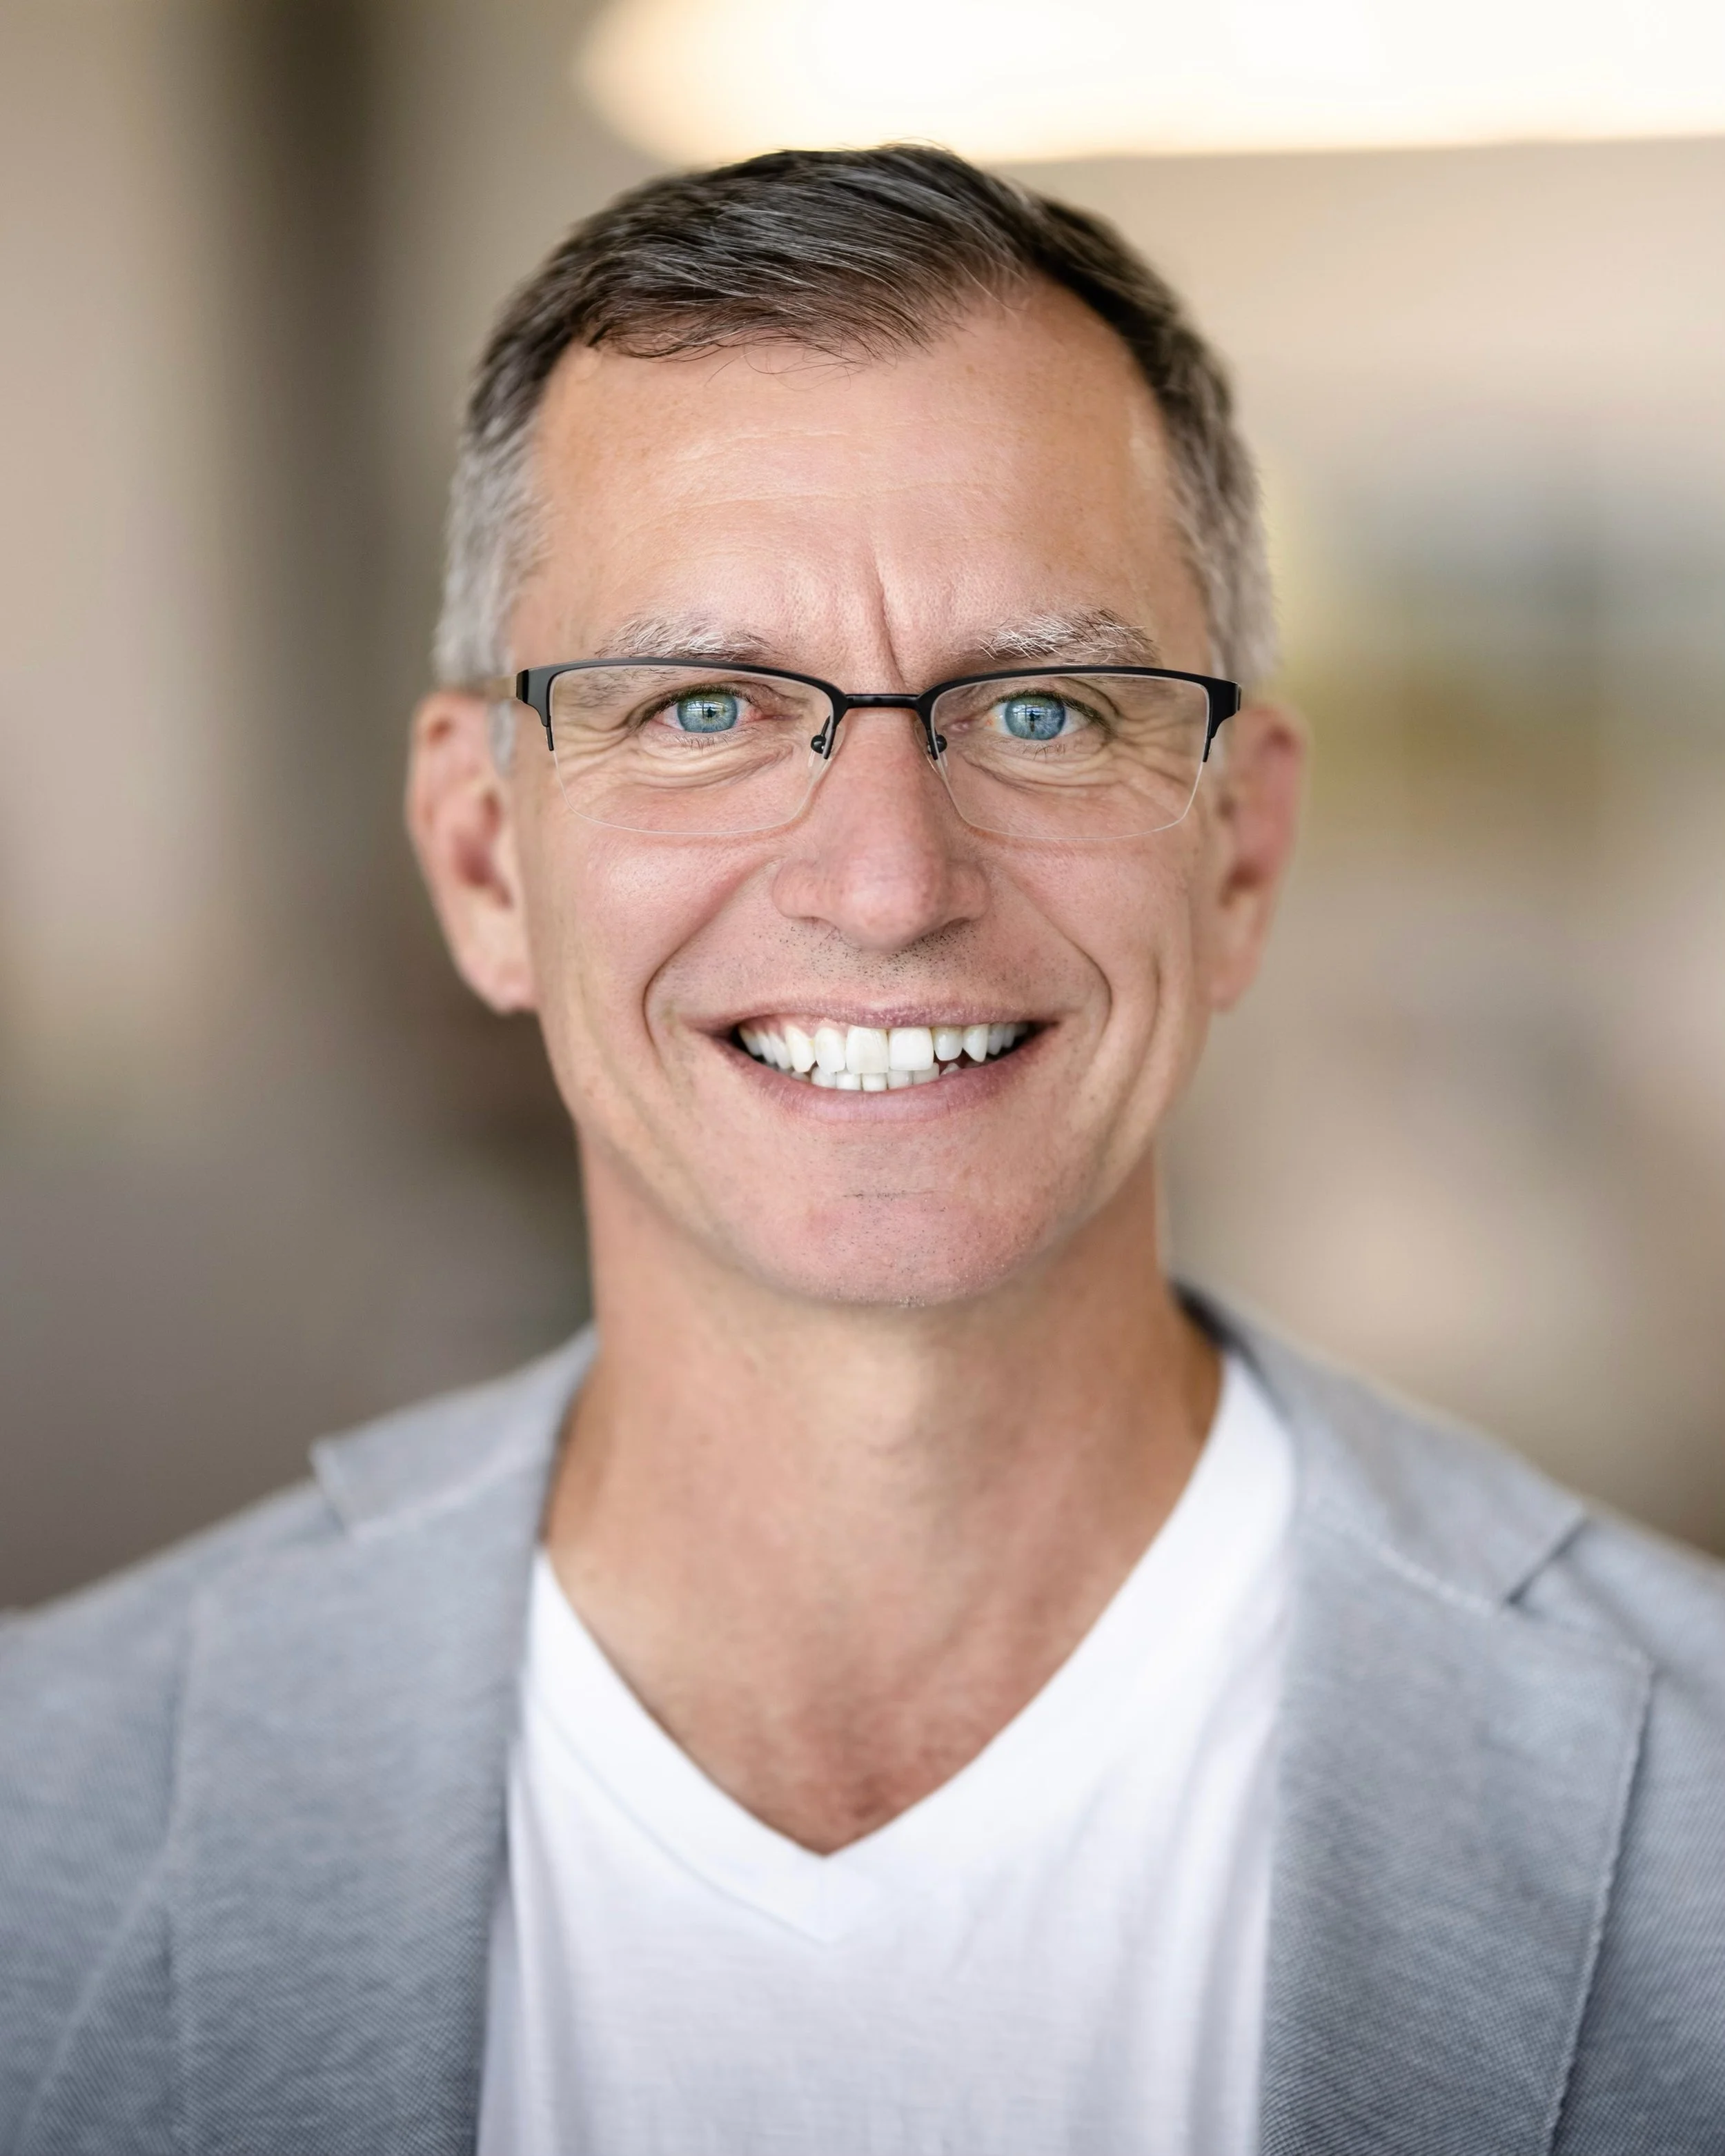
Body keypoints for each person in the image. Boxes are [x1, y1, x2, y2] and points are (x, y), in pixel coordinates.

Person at [3, 144, 1722, 2156]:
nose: (891, 882)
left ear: (1239, 851)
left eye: (1046, 710)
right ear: (481, 856)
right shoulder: (47, 1818)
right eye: (703, 706)